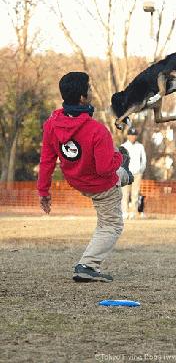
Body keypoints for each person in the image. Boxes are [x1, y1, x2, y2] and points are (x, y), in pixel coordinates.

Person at [37, 72, 133, 283]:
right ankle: (87, 266)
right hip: (100, 183)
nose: (91, 91)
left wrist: (43, 191)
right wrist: (116, 158)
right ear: (82, 98)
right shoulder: (97, 131)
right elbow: (105, 168)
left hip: (77, 178)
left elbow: (47, 160)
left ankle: (124, 172)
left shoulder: (52, 123)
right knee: (111, 225)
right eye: (89, 89)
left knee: (116, 168)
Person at [120, 127, 146, 219]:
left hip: (137, 173)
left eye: (134, 135)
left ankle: (133, 213)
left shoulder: (140, 146)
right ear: (128, 136)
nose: (133, 137)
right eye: (131, 135)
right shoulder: (124, 146)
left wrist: (140, 170)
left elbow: (143, 160)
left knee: (135, 194)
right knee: (124, 194)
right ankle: (124, 212)